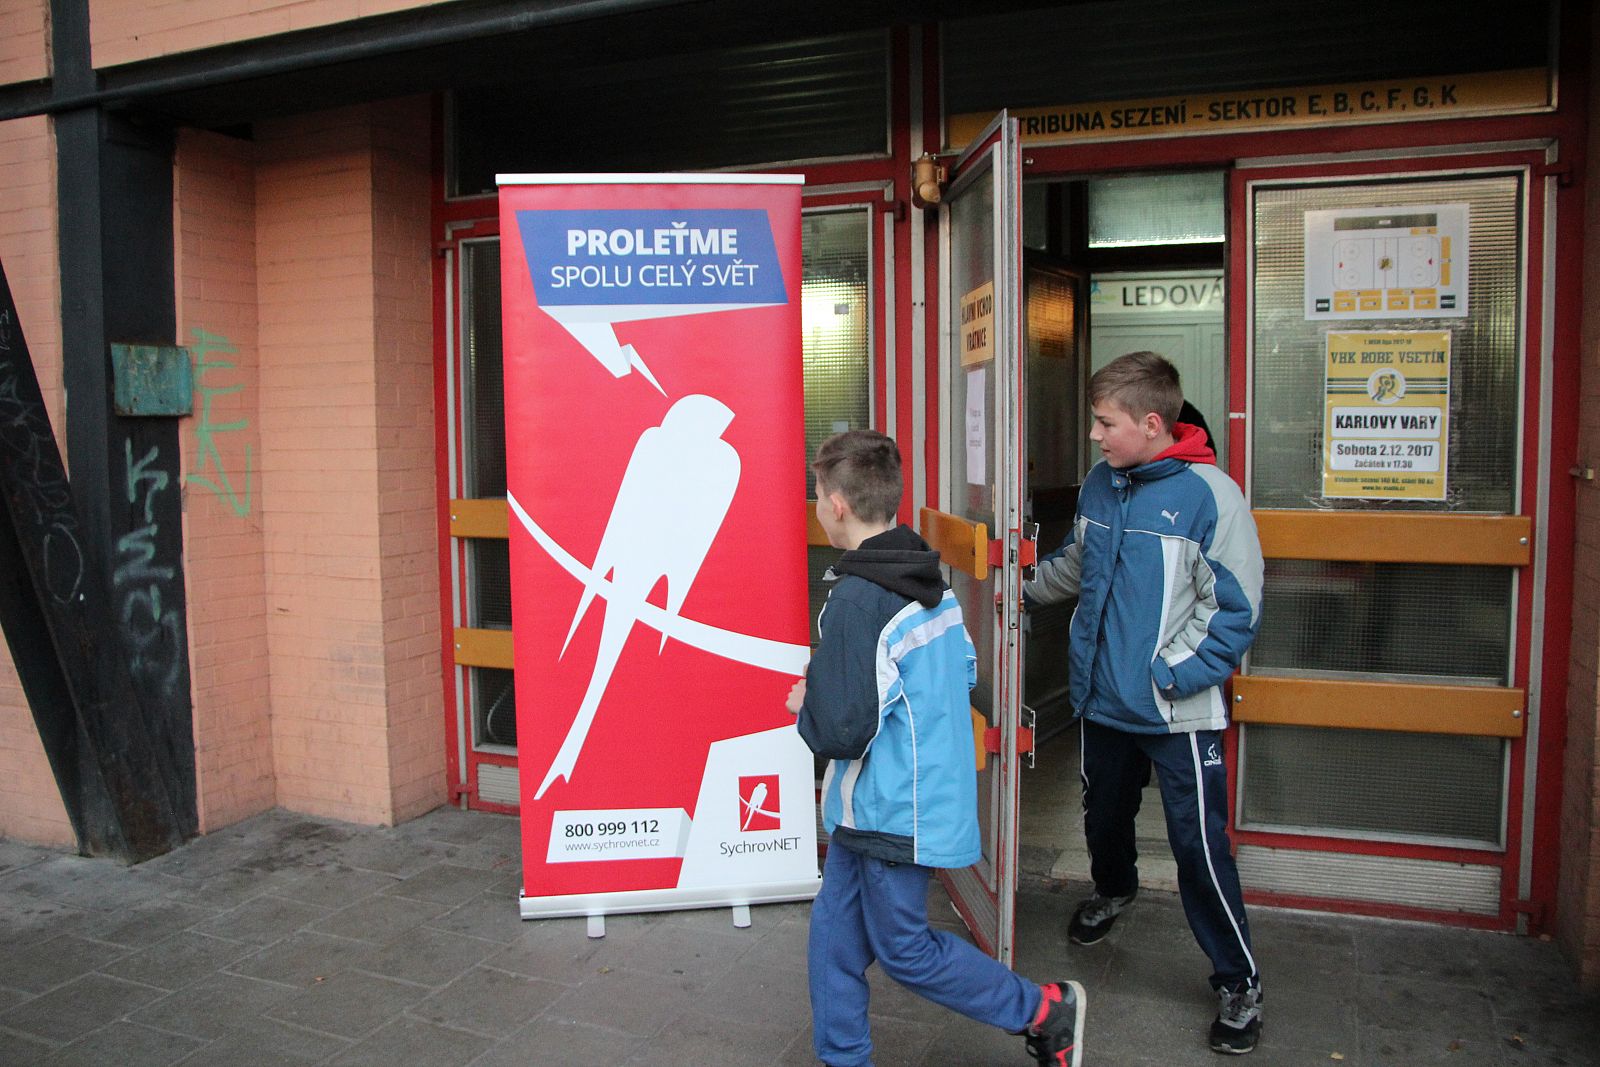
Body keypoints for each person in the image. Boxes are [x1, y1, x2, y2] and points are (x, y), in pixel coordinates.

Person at [788, 429, 1086, 1067]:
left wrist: (810, 700)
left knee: (906, 952)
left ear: (836, 504)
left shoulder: (857, 600)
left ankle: (1043, 1010)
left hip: (895, 811)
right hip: (892, 804)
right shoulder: (927, 577)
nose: (817, 507)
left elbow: (842, 730)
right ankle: (843, 1058)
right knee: (834, 940)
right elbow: (964, 670)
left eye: (817, 495)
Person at [1026, 352, 1265, 1055]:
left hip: (1176, 711)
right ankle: (1114, 889)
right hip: (1104, 704)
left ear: (1152, 423)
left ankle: (1238, 981)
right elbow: (1077, 563)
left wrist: (1168, 674)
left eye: (1106, 423)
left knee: (1199, 848)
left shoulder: (1211, 496)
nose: (1095, 435)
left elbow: (1235, 609)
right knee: (1103, 816)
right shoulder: (1102, 484)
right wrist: (1008, 591)